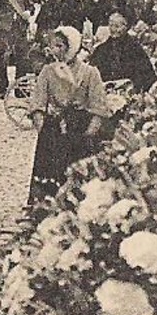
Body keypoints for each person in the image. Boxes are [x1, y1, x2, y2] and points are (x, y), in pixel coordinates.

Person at [27, 26, 112, 209]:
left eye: (60, 46)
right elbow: (37, 101)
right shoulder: (48, 71)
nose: (55, 50)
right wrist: (42, 126)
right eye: (53, 46)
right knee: (49, 173)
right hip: (54, 128)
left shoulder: (90, 73)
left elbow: (99, 106)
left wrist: (90, 133)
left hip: (80, 128)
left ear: (72, 47)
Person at [90, 12, 157, 93]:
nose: (113, 29)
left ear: (125, 27)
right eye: (111, 25)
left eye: (117, 26)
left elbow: (148, 76)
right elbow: (92, 74)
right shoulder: (101, 49)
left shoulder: (135, 49)